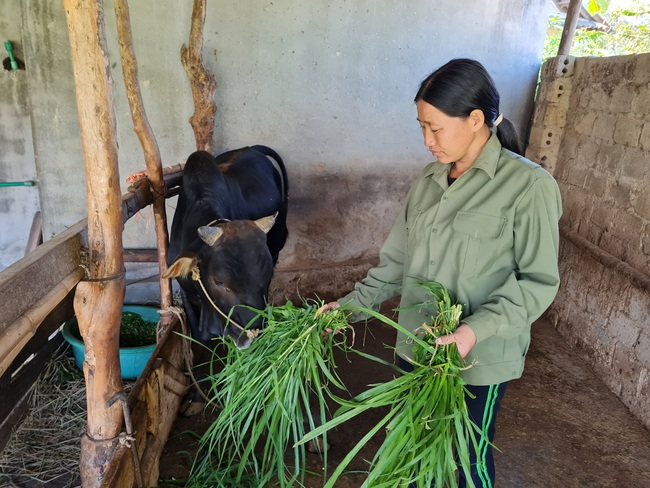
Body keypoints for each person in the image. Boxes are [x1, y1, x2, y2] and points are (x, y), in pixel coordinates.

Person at [320, 58, 562, 487]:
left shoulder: (529, 186)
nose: (427, 140)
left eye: (435, 128)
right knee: (410, 453)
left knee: (466, 460)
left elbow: (537, 282)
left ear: (474, 120)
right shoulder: (429, 181)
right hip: (415, 349)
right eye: (421, 127)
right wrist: (346, 308)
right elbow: (396, 265)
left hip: (477, 361)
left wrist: (473, 330)